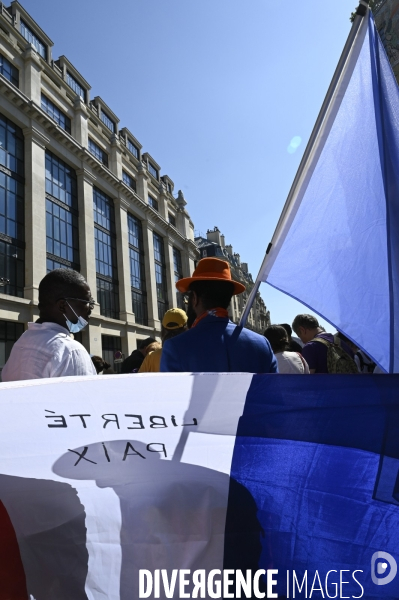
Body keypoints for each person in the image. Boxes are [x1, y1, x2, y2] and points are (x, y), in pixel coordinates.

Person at [160, 257, 278, 373]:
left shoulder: (175, 347)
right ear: (228, 299)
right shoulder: (262, 344)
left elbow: (170, 392)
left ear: (195, 299)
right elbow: (273, 391)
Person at [1, 269, 96, 381]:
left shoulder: (22, 341)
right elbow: (85, 397)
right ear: (62, 305)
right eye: (87, 302)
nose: (91, 308)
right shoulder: (71, 351)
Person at [292, 314, 357, 374]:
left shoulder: (310, 347)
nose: (302, 341)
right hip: (348, 386)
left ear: (302, 330)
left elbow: (307, 381)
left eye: (299, 336)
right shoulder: (343, 344)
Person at [139, 309, 188, 373]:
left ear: (163, 331)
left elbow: (138, 381)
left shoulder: (151, 358)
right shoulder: (194, 356)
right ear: (187, 329)